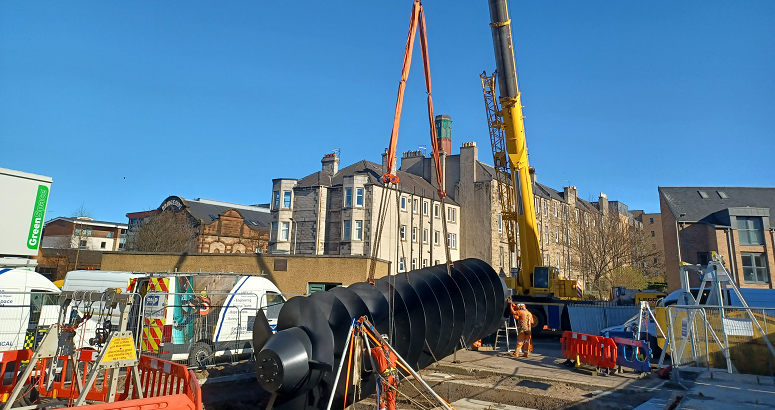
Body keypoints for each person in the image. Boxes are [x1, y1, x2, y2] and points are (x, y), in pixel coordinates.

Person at [370, 334, 398, 410]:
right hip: (394, 378)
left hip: (385, 379)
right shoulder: (393, 351)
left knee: (380, 399)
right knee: (391, 400)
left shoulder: (378, 350)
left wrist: (360, 349)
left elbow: (367, 351)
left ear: (380, 341)